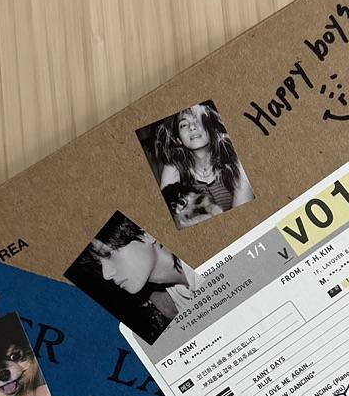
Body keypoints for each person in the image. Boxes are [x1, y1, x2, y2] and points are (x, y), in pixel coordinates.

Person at [80, 213, 198, 342]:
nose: (106, 274)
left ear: (147, 234)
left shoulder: (202, 269)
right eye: (99, 263)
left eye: (109, 253)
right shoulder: (179, 296)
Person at [154, 102, 254, 217]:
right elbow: (166, 217)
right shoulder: (174, 168)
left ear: (212, 128)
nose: (192, 127)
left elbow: (242, 216)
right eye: (184, 125)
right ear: (178, 140)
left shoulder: (236, 161)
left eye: (198, 121)